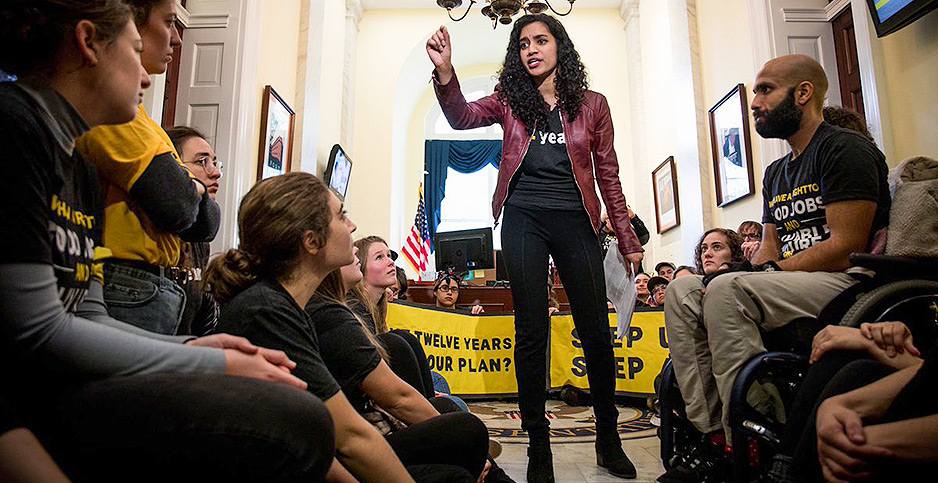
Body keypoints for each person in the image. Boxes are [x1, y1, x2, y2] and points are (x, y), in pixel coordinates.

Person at [0, 2, 334, 480]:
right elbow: (36, 331)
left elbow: (90, 313)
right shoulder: (16, 129)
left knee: (295, 412)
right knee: (290, 424)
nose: (147, 76)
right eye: (136, 50)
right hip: (27, 394)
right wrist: (209, 363)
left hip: (62, 379)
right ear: (88, 42)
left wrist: (195, 345)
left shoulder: (79, 164)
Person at [427, 14, 643, 481]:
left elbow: (609, 175)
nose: (531, 50)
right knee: (530, 331)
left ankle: (609, 439)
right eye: (523, 43)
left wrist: (627, 238)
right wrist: (446, 72)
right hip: (523, 218)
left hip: (577, 221)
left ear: (559, 46)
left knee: (595, 331)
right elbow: (462, 116)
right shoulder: (510, 102)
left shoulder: (593, 105)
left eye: (541, 40)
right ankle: (539, 449)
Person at [660, 55, 889, 483]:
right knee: (683, 291)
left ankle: (751, 442)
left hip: (846, 281)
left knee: (730, 291)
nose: (754, 102)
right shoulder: (776, 172)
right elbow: (768, 248)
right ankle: (713, 437)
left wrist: (761, 275)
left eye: (765, 90)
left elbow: (845, 246)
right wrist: (733, 274)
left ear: (803, 93)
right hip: (791, 280)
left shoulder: (844, 148)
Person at [209, 173, 433, 483]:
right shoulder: (268, 311)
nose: (352, 226)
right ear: (312, 242)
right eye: (342, 216)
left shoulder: (283, 305)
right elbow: (350, 438)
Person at [75, 0, 220, 335]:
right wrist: (189, 188)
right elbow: (177, 204)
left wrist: (188, 185)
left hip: (148, 284)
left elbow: (206, 220)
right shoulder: (111, 111)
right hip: (127, 280)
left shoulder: (141, 120)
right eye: (169, 22)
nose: (178, 38)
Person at [306, 252, 495, 482]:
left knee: (449, 405)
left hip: (371, 426)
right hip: (361, 441)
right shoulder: (331, 317)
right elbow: (393, 399)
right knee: (464, 426)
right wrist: (455, 441)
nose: (390, 262)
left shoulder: (339, 310)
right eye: (379, 256)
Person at [167, 126, 221, 336]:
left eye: (214, 162)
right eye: (202, 162)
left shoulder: (200, 237)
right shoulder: (157, 232)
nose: (215, 172)